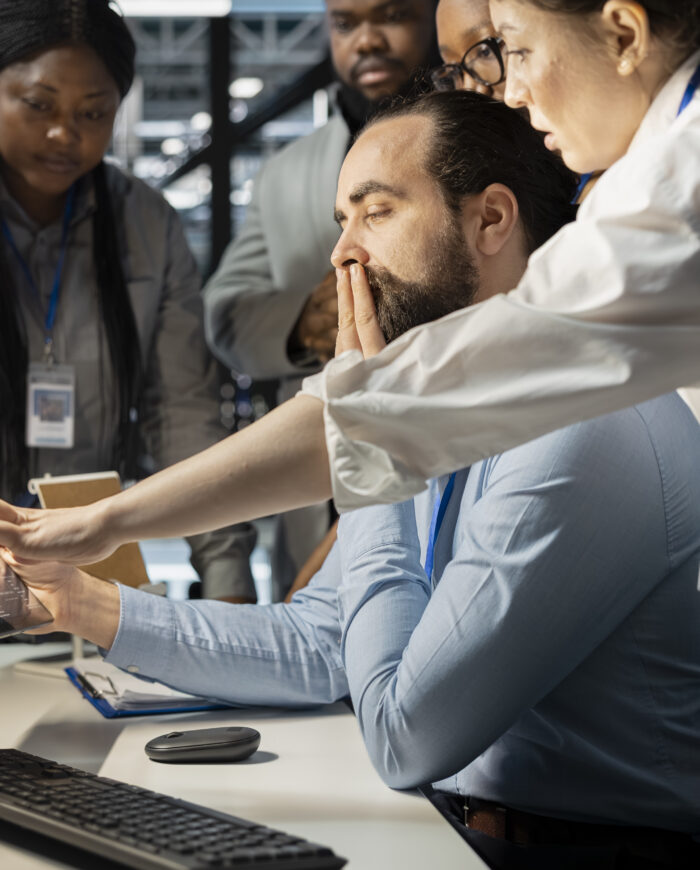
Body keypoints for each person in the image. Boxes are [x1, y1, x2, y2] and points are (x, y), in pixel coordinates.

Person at [6, 93, 699, 869]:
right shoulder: (452, 409)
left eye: (375, 213)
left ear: (492, 222)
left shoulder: (583, 426)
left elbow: (407, 735)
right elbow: (324, 641)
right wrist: (82, 602)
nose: (342, 255)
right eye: (343, 220)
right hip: (457, 834)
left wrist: (375, 451)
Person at [0, 1, 698, 567]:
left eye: (510, 48)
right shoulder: (638, 187)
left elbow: (418, 727)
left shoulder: (674, 197)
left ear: (623, 33)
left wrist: (112, 523)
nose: (504, 93)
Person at [0, 0, 257, 602]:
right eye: (38, 105)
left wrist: (228, 587)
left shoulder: (144, 224)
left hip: (90, 578)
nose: (66, 133)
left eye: (94, 113)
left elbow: (183, 415)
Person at [203, 0, 440, 599]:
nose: (366, 41)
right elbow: (224, 311)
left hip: (439, 439)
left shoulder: (486, 144)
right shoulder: (286, 170)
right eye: (345, 24)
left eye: (392, 16)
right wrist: (301, 325)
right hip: (316, 467)